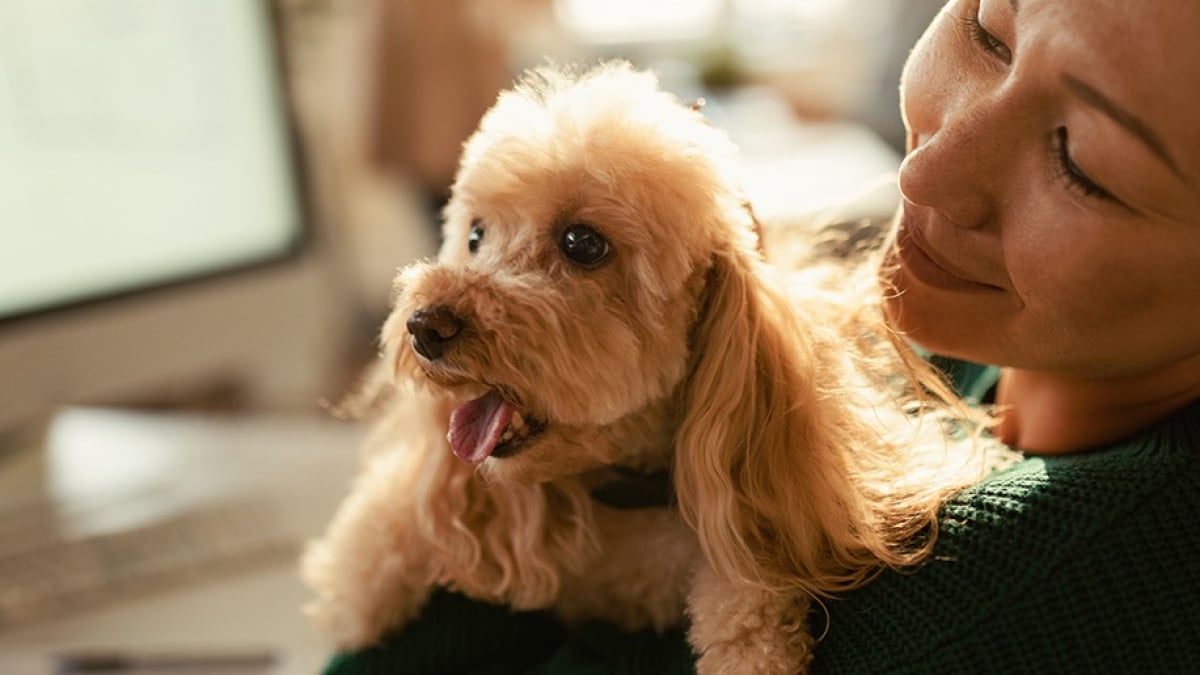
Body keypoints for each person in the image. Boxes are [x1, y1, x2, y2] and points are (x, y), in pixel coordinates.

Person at [323, 0, 1200, 671]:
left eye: (1081, 160)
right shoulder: (967, 327)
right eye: (987, 32)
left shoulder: (1019, 596)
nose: (925, 169)